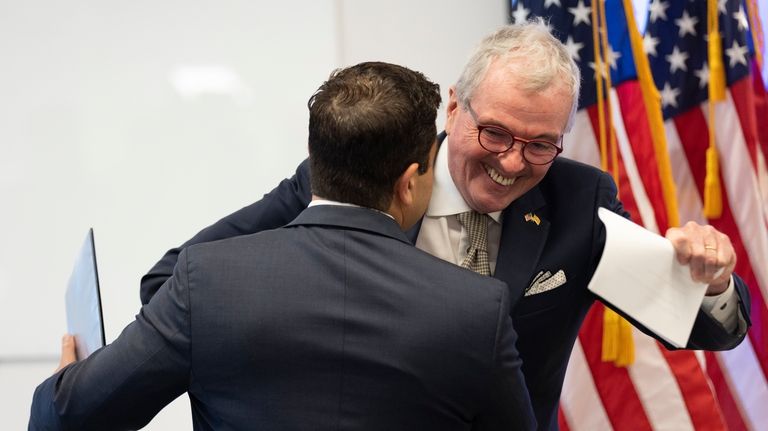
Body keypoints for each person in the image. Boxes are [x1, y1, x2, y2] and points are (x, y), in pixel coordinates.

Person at [139, 20, 752, 431]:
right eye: (495, 133)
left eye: (541, 144)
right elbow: (175, 283)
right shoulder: (362, 175)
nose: (512, 163)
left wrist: (713, 278)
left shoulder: (577, 202)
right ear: (454, 106)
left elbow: (706, 326)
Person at [29, 62, 537, 431]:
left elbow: (65, 420)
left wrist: (69, 383)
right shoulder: (477, 309)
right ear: (410, 181)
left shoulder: (206, 282)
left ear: (316, 156)